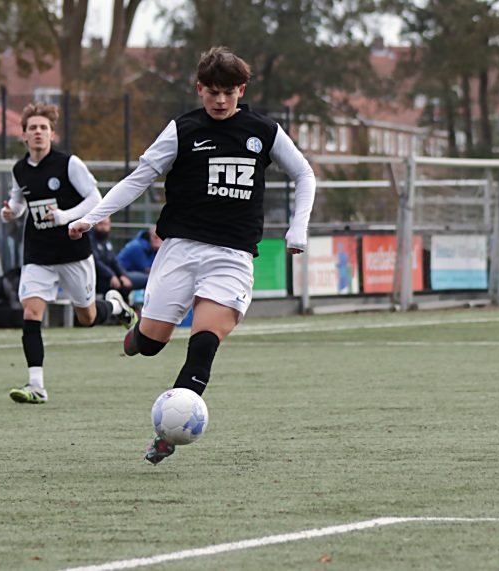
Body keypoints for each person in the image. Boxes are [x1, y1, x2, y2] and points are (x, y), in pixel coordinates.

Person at [69, 47, 315, 464]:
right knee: (149, 345)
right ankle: (132, 328)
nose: (220, 101)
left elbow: (304, 173)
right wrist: (93, 217)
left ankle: (168, 436)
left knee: (203, 345)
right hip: (180, 248)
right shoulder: (182, 130)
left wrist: (298, 227)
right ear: (199, 89)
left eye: (228, 92)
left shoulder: (263, 131)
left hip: (233, 255)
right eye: (212, 92)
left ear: (242, 89)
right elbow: (140, 178)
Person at [0, 101, 137, 405]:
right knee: (31, 313)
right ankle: (36, 386)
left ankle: (116, 308)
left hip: (73, 252)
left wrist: (64, 217)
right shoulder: (19, 169)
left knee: (86, 316)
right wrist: (10, 213)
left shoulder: (69, 164)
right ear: (24, 135)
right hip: (37, 254)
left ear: (52, 134)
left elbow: (95, 199)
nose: (38, 133)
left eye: (43, 128)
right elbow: (19, 204)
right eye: (32, 128)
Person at [90, 217, 133, 298]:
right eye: (100, 224)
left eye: (106, 224)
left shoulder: (106, 240)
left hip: (109, 275)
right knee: (116, 287)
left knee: (126, 285)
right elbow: (96, 262)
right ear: (95, 225)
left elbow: (114, 260)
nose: (103, 227)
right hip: (97, 276)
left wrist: (122, 275)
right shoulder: (91, 240)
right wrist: (111, 275)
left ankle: (123, 309)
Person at [116, 225, 162, 290]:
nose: (159, 240)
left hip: (131, 272)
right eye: (155, 237)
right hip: (120, 274)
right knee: (151, 279)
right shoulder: (137, 247)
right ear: (149, 237)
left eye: (161, 238)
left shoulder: (152, 249)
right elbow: (149, 270)